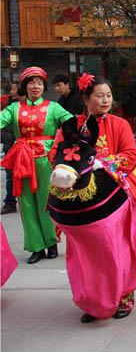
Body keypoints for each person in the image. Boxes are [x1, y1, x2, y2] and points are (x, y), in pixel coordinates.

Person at [50, 74, 136, 323]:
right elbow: (56, 154)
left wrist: (104, 163)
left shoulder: (119, 124)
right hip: (80, 195)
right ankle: (93, 301)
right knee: (83, 254)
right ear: (86, 98)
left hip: (113, 192)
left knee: (117, 247)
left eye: (108, 95)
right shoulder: (70, 125)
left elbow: (130, 155)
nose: (105, 100)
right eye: (99, 96)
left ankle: (124, 294)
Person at [0, 67, 73, 263]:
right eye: (32, 82)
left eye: (39, 83)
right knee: (26, 204)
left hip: (46, 160)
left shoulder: (53, 107)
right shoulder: (14, 108)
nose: (36, 86)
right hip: (22, 160)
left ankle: (51, 243)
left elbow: (72, 124)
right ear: (25, 86)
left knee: (46, 201)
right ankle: (36, 247)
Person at [1, 82, 19, 215]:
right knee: (10, 177)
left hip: (18, 147)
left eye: (14, 89)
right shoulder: (10, 108)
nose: (11, 92)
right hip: (9, 147)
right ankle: (10, 202)